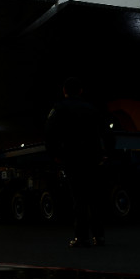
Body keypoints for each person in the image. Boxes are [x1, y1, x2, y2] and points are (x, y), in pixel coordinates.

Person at [45, 77, 113, 248]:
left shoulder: (59, 108)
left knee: (79, 198)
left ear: (64, 91)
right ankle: (100, 237)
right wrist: (106, 153)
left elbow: (50, 133)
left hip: (72, 157)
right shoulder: (92, 108)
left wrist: (55, 154)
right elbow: (107, 132)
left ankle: (81, 238)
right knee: (94, 197)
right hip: (93, 157)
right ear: (81, 91)